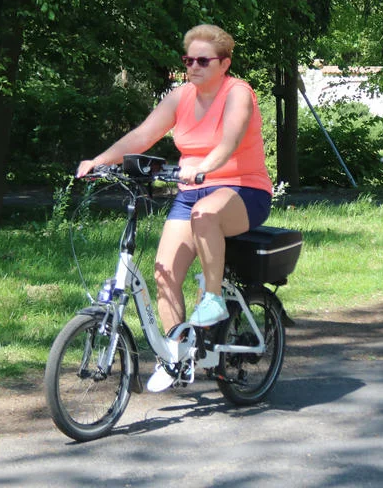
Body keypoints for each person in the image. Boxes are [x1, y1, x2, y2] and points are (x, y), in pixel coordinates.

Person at [76, 24, 273, 392]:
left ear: (224, 64)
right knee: (165, 272)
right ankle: (174, 355)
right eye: (188, 60)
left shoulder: (238, 93)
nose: (193, 67)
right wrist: (100, 160)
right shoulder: (181, 96)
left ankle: (213, 299)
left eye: (203, 60)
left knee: (206, 214)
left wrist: (203, 166)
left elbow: (228, 142)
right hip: (191, 190)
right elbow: (142, 135)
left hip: (242, 190)